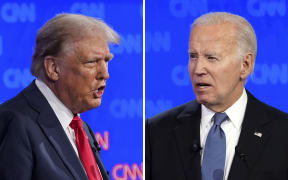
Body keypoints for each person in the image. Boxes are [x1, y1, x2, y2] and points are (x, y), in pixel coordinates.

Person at [146, 12, 288, 180]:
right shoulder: (155, 132)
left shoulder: (282, 134)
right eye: (193, 56)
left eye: (211, 58)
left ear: (245, 65)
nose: (198, 69)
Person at [0, 13, 119, 180]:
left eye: (106, 61)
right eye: (92, 62)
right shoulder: (15, 122)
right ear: (53, 68)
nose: (105, 74)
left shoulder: (81, 128)